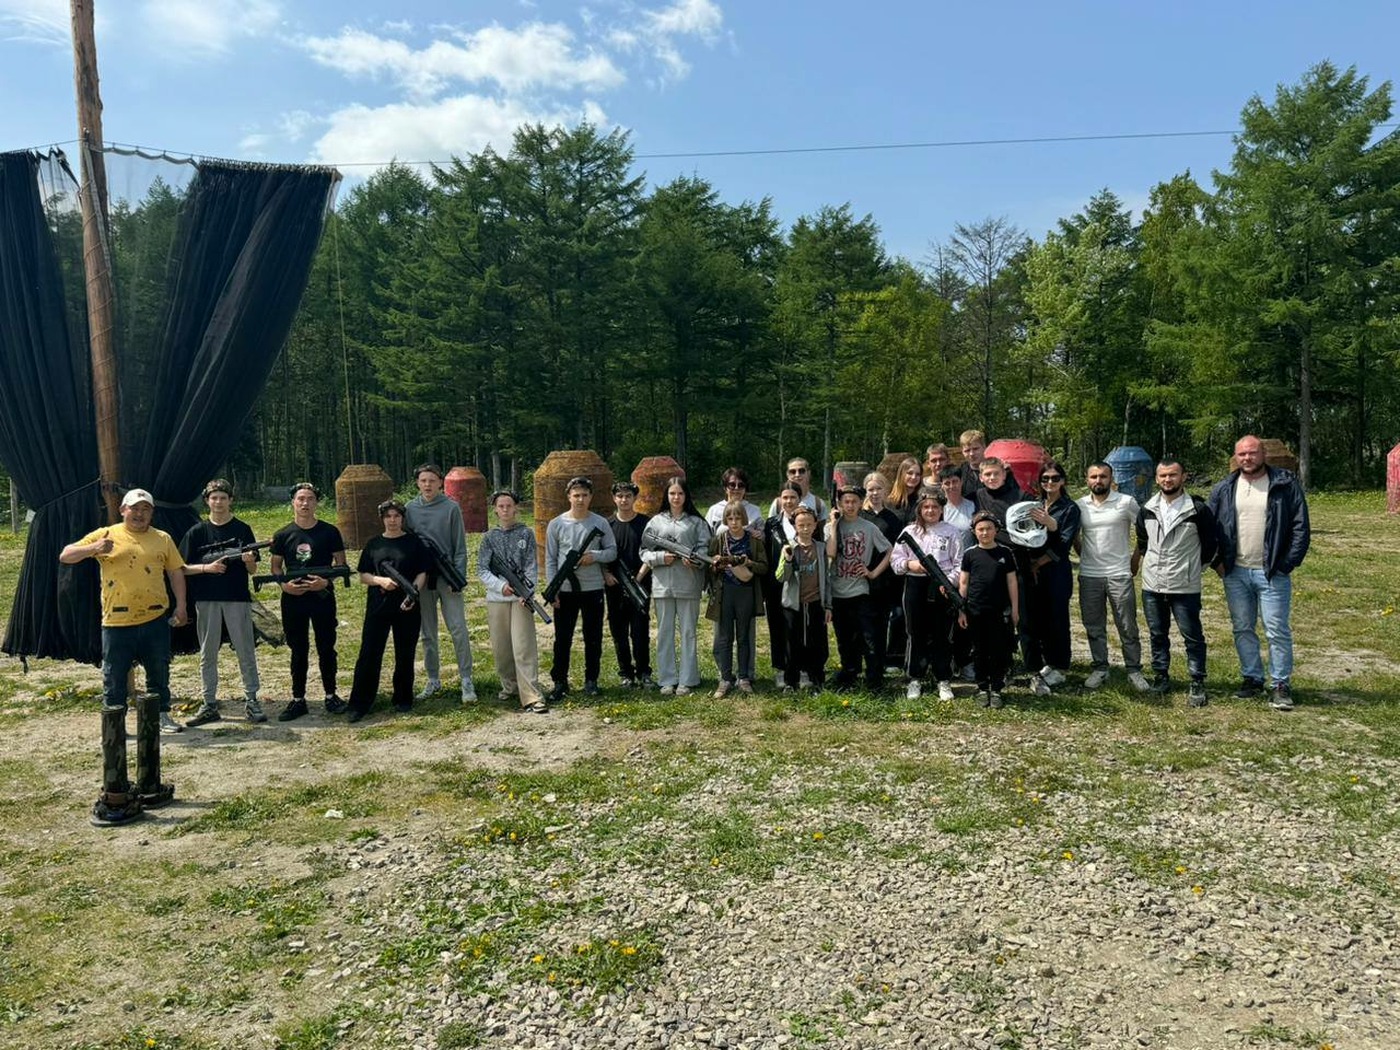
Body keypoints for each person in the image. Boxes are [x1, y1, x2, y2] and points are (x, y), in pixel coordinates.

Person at [60, 488, 189, 733]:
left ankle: (161, 716)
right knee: (114, 675)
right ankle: (115, 726)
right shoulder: (106, 534)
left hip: (154, 617)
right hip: (117, 621)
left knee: (159, 671)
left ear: (152, 513)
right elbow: (66, 555)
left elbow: (175, 572)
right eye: (134, 508)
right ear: (122, 510)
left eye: (145, 509)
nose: (140, 514)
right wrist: (94, 548)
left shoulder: (162, 538)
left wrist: (181, 606)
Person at [1207, 435, 1311, 710]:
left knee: (1276, 629)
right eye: (1242, 454)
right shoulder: (1224, 488)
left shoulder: (1285, 484)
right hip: (1235, 572)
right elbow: (1209, 528)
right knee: (1242, 627)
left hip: (1272, 572)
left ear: (1263, 454)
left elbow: (1300, 526)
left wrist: (1286, 564)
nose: (1247, 458)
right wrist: (1217, 562)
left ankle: (1280, 684)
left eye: (1252, 453)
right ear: (1235, 457)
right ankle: (1252, 678)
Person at [178, 479, 264, 726]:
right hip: (207, 600)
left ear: (230, 500)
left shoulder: (243, 529)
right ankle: (209, 703)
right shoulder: (197, 532)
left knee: (245, 650)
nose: (218, 502)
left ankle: (251, 700)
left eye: (223, 498)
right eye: (214, 498)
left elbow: (253, 569)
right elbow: (181, 567)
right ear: (207, 501)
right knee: (208, 653)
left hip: (236, 597)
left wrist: (248, 560)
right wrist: (207, 568)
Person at [1138, 460, 1218, 707]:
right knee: (1157, 634)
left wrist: (1192, 568)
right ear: (1156, 478)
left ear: (1183, 477)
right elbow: (1143, 542)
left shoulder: (1197, 510)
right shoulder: (1147, 509)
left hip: (1184, 585)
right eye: (1162, 475)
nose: (1167, 480)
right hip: (1152, 584)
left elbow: (1210, 545)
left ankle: (1197, 680)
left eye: (1173, 475)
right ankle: (1161, 676)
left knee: (1192, 635)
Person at [346, 500, 431, 723]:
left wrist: (413, 593)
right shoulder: (374, 544)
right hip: (379, 605)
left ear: (402, 518)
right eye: (388, 516)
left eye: (396, 516)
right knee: (369, 653)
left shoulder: (413, 543)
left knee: (405, 653)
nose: (392, 520)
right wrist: (380, 581)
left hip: (407, 605)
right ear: (382, 519)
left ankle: (403, 698)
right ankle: (360, 703)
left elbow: (422, 572)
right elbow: (363, 575)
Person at [269, 483, 347, 720]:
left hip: (322, 597)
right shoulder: (282, 535)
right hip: (294, 598)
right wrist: (285, 586)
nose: (305, 503)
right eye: (300, 499)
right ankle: (298, 699)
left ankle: (331, 695)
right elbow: (275, 567)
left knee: (326, 646)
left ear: (316, 503)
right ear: (293, 502)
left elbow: (341, 565)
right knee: (298, 649)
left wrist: (325, 582)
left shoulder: (330, 532)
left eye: (310, 499)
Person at [1075, 463, 1150, 693]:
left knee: (1127, 625)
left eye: (1103, 476)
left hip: (1119, 573)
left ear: (1111, 478)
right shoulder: (1080, 505)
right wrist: (1083, 554)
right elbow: (1074, 535)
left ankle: (1134, 670)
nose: (1098, 480)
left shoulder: (1126, 502)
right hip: (1090, 575)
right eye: (1093, 476)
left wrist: (1135, 559)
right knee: (1093, 625)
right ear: (1087, 479)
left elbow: (1144, 530)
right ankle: (1100, 668)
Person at [404, 463, 476, 703]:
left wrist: (458, 578)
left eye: (432, 481)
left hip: (448, 578)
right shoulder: (410, 509)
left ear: (440, 483)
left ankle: (466, 679)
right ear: (417, 483)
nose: (427, 485)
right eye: (423, 480)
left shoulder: (451, 508)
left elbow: (460, 547)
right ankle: (433, 678)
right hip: (423, 579)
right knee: (427, 632)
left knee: (458, 629)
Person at [544, 476, 618, 702]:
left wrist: (593, 557)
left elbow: (612, 551)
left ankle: (591, 680)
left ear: (591, 497)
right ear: (569, 497)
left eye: (585, 495)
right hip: (565, 590)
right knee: (562, 638)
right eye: (576, 495)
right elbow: (550, 559)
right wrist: (553, 588)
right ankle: (560, 681)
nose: (580, 499)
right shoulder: (556, 524)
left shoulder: (600, 523)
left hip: (593, 589)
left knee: (593, 637)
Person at [477, 489, 549, 714]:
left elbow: (531, 566)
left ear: (516, 508)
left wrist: (526, 592)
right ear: (495, 510)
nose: (505, 510)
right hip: (496, 598)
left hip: (521, 599)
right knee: (502, 648)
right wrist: (500, 586)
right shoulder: (489, 537)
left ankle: (532, 695)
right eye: (501, 506)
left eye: (509, 505)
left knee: (523, 646)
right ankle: (510, 686)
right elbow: (482, 569)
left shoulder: (526, 534)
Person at [891, 489, 964, 701]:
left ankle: (943, 678)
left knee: (942, 633)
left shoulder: (951, 532)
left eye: (935, 507)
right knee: (916, 632)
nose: (930, 510)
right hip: (915, 585)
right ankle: (915, 677)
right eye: (926, 507)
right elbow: (896, 561)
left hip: (942, 586)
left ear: (942, 509)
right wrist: (910, 564)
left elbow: (959, 563)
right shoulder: (910, 531)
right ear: (920, 509)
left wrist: (948, 582)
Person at [642, 477, 709, 696]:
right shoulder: (655, 522)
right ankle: (667, 679)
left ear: (686, 496)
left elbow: (705, 549)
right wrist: (661, 558)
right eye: (672, 493)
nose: (676, 497)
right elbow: (644, 551)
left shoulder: (697, 523)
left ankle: (688, 679)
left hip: (688, 584)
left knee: (688, 632)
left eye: (680, 493)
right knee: (665, 633)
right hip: (662, 586)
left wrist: (695, 560)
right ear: (666, 496)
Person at [826, 485, 892, 690]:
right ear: (839, 504)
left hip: (860, 591)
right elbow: (831, 553)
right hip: (837, 592)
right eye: (846, 502)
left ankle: (874, 678)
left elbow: (889, 550)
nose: (850, 505)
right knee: (844, 638)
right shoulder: (830, 527)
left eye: (854, 501)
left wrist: (872, 573)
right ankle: (849, 673)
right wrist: (834, 525)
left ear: (861, 503)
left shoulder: (869, 528)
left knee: (868, 636)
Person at [1024, 461, 1080, 696]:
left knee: (1057, 618)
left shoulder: (1070, 508)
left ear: (1063, 481)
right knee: (1039, 617)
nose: (1050, 482)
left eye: (1055, 478)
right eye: (1045, 479)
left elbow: (1064, 543)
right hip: (1034, 571)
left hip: (1055, 570)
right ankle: (1047, 661)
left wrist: (1051, 526)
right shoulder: (1035, 505)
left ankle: (1060, 665)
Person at [958, 510, 1019, 709]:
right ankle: (983, 687)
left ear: (996, 530)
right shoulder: (970, 554)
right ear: (974, 532)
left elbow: (1012, 582)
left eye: (989, 528)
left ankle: (997, 688)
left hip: (999, 611)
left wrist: (1015, 609)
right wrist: (961, 610)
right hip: (975, 610)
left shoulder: (1005, 553)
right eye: (980, 529)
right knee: (979, 650)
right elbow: (964, 583)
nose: (985, 533)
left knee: (998, 650)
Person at [707, 501, 768, 697]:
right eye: (730, 518)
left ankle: (744, 677)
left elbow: (764, 567)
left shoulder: (753, 540)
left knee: (743, 637)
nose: (734, 522)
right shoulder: (719, 539)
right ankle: (725, 678)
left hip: (746, 592)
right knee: (725, 637)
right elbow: (708, 565)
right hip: (725, 593)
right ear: (725, 519)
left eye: (738, 518)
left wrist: (748, 562)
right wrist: (716, 564)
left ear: (744, 519)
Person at [604, 481, 653, 689]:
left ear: (635, 498)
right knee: (619, 631)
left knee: (640, 631)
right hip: (614, 585)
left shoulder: (645, 523)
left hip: (641, 584)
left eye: (628, 496)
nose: (624, 500)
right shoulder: (607, 525)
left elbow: (650, 552)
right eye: (620, 496)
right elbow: (600, 553)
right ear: (614, 498)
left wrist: (639, 577)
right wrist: (606, 574)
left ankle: (644, 672)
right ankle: (626, 673)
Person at [776, 505, 830, 692]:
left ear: (815, 525)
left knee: (817, 643)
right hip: (794, 604)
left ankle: (817, 680)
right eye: (801, 525)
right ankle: (791, 681)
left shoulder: (820, 548)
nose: (805, 529)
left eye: (809, 524)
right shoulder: (789, 548)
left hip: (815, 602)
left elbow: (827, 578)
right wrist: (788, 560)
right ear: (795, 526)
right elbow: (781, 577)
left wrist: (828, 605)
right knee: (793, 643)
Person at [862, 471, 905, 673]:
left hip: (887, 576)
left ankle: (884, 660)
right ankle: (868, 662)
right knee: (866, 623)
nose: (875, 493)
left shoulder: (893, 518)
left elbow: (896, 548)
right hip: (863, 576)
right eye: (871, 489)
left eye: (878, 488)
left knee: (884, 620)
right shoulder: (860, 516)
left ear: (885, 490)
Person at [705, 467, 763, 532]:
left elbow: (763, 534)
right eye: (732, 485)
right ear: (725, 488)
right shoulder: (714, 510)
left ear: (745, 488)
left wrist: (760, 534)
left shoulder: (755, 511)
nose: (736, 488)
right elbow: (706, 534)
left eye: (741, 485)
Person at [939, 465, 974, 532]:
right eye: (947, 483)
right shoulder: (940, 509)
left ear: (961, 482)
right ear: (942, 486)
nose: (951, 486)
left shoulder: (972, 506)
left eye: (954, 481)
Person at [888, 457, 924, 522]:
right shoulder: (888, 502)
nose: (914, 477)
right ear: (901, 474)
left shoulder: (922, 501)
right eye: (910, 473)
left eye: (918, 474)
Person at [957, 430, 988, 496]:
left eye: (975, 449)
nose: (971, 454)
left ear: (984, 447)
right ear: (962, 452)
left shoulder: (996, 469)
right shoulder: (960, 472)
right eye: (967, 450)